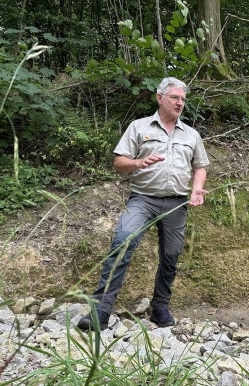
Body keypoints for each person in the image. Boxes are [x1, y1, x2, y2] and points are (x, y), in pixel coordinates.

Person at [77, 77, 209, 331]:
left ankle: (160, 309)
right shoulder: (138, 127)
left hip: (176, 204)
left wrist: (196, 188)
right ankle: (100, 310)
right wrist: (137, 163)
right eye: (174, 97)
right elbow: (119, 162)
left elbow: (200, 167)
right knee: (122, 241)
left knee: (171, 256)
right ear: (160, 98)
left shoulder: (192, 135)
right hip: (143, 200)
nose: (180, 102)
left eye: (183, 99)